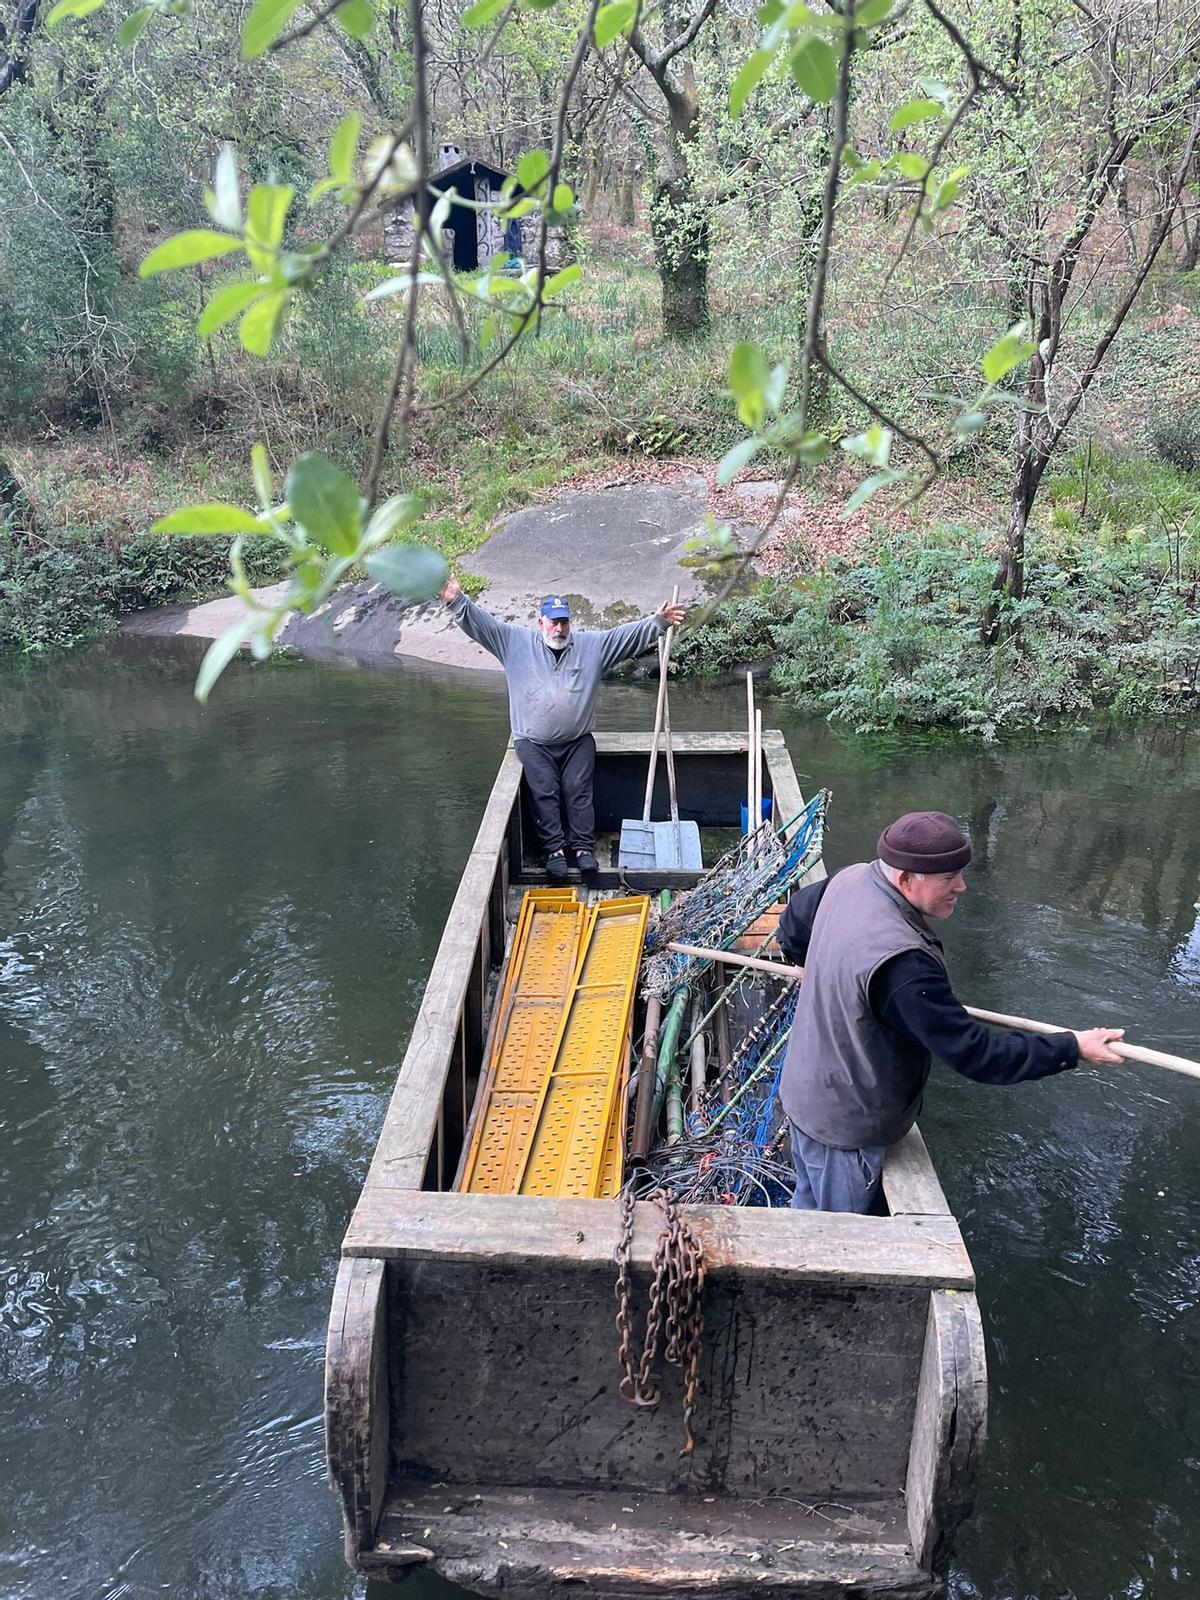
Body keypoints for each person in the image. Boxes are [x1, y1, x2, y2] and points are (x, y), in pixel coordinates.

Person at [777, 809, 1125, 1213]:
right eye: (948, 878)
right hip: (842, 1128)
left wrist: (810, 965)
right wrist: (1073, 1048)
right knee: (834, 1242)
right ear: (906, 879)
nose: (961, 887)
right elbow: (977, 1055)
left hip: (802, 1092)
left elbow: (793, 924)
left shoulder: (850, 878)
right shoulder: (904, 964)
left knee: (805, 1204)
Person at [440, 578, 687, 879]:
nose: (559, 629)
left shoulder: (591, 646)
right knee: (544, 789)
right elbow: (483, 625)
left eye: (565, 623)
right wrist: (457, 601)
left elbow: (624, 637)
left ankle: (583, 849)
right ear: (540, 622)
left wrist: (657, 623)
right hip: (532, 741)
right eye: (554, 623)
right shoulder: (513, 641)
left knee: (577, 789)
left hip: (577, 740)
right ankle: (554, 851)